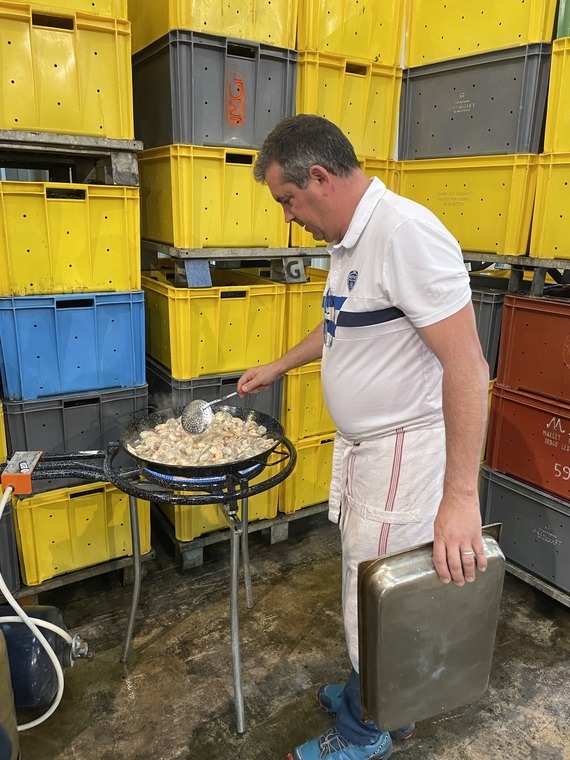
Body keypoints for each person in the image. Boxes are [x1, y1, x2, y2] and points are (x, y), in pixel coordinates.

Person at [237, 115, 489, 760]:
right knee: (363, 581)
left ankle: (367, 728)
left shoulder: (404, 233)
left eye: (287, 201)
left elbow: (467, 365)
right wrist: (279, 366)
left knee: (374, 593)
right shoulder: (350, 240)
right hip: (367, 449)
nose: (288, 218)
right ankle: (371, 694)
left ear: (318, 177)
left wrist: (460, 496)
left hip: (405, 447)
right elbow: (340, 326)